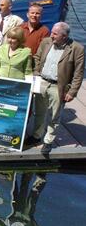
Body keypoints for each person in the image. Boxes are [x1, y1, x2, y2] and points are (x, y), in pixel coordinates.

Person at [27, 22, 85, 154]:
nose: (51, 36)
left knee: (54, 116)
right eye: (52, 32)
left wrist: (72, 92)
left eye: (55, 34)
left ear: (64, 36)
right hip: (42, 82)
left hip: (58, 86)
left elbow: (78, 73)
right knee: (39, 112)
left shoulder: (77, 49)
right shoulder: (46, 42)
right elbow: (37, 57)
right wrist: (36, 72)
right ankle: (37, 136)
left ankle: (48, 141)